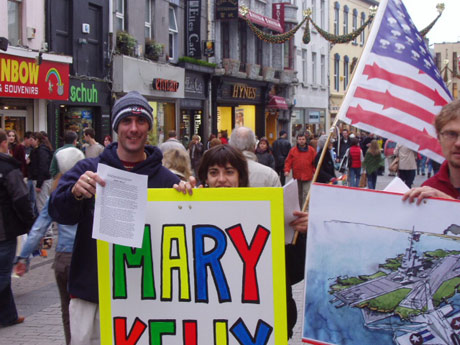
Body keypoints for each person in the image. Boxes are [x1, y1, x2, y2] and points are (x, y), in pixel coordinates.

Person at [49, 91, 180, 345]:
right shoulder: (88, 171)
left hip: (148, 299)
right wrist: (75, 193)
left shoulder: (167, 180)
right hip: (93, 297)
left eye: (140, 121)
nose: (133, 128)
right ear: (116, 127)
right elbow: (58, 212)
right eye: (126, 121)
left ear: (149, 128)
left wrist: (188, 198)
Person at [184, 144, 308, 339]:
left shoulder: (264, 212)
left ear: (240, 177)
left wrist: (300, 234)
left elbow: (294, 271)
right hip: (212, 326)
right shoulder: (191, 211)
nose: (221, 179)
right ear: (205, 179)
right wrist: (178, 203)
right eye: (214, 172)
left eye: (229, 172)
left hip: (258, 327)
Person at [14, 130, 84, 344]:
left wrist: (24, 258)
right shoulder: (91, 188)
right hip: (86, 256)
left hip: (63, 258)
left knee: (67, 310)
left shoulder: (57, 193)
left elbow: (39, 227)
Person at [0, 129, 35, 327]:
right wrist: (31, 224)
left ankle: (8, 316)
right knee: (3, 273)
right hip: (4, 230)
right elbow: (21, 198)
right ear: (5, 143)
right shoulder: (8, 167)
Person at [404, 99, 460, 204]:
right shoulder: (430, 187)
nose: (458, 143)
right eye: (451, 134)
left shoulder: (434, 193)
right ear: (439, 138)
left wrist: (447, 201)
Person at [284, 132, 316, 207]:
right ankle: (299, 208)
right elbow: (288, 162)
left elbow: (315, 162)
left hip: (308, 176)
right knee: (298, 194)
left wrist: (315, 171)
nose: (301, 141)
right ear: (297, 140)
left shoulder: (311, 150)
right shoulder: (293, 150)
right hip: (297, 176)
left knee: (306, 193)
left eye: (303, 139)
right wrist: (287, 170)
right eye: (299, 139)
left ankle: (305, 209)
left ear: (305, 140)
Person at [28, 132, 53, 213]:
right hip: (43, 179)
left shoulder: (41, 151)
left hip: (42, 181)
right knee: (43, 203)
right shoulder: (39, 150)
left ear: (37, 140)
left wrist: (39, 184)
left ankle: (46, 225)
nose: (30, 142)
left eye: (32, 139)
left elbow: (43, 167)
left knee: (42, 205)